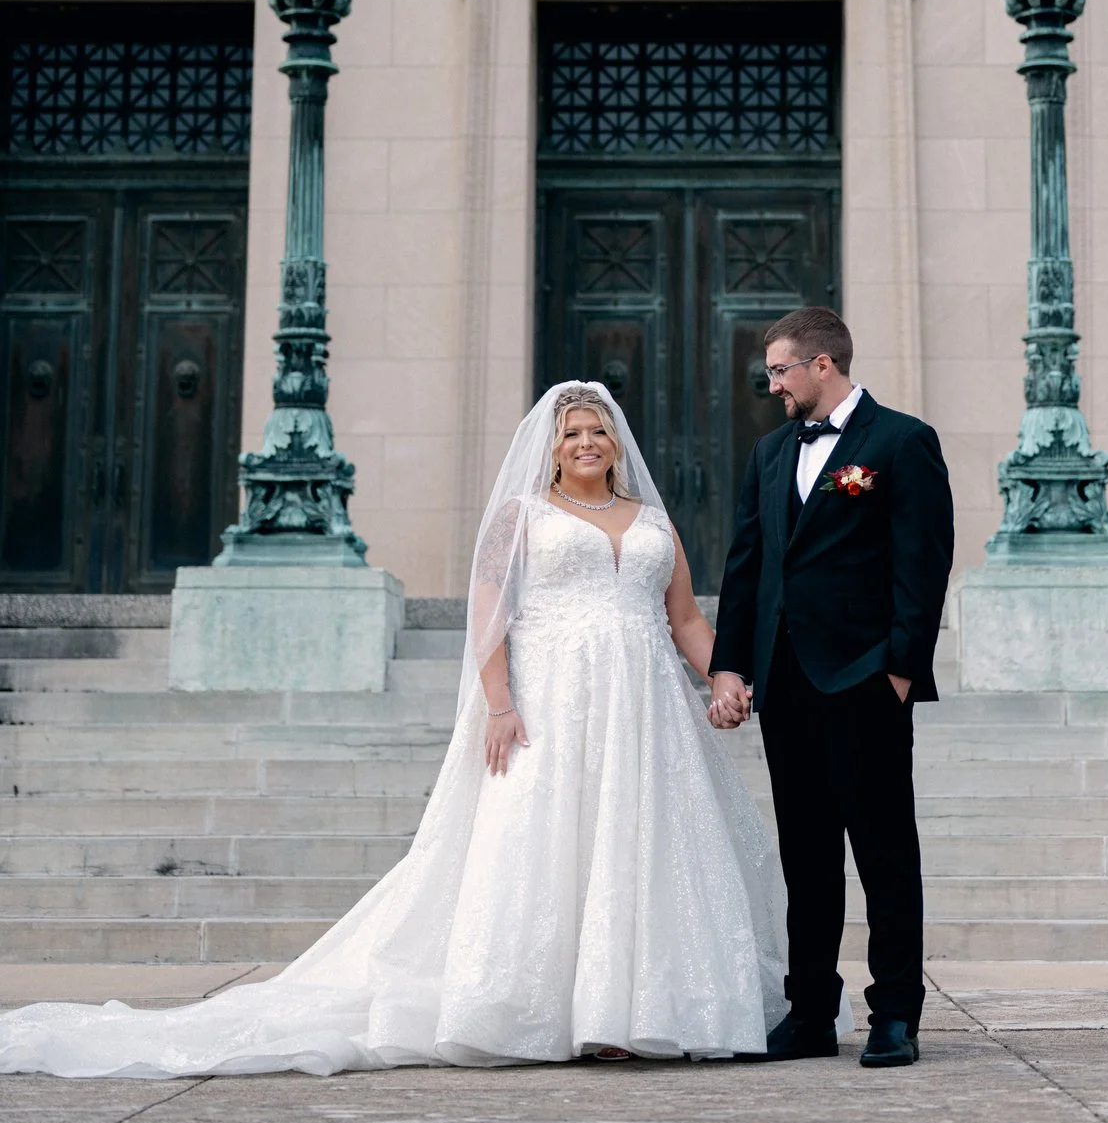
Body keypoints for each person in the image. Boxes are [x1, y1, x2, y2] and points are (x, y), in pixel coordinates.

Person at [0, 382, 792, 1076]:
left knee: (640, 844)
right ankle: (552, 1010)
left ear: (617, 441)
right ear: (549, 451)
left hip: (645, 709)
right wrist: (501, 704)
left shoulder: (650, 518)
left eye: (597, 431)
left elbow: (683, 615)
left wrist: (723, 677)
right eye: (571, 433)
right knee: (547, 844)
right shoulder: (521, 516)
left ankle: (639, 1010)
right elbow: (489, 618)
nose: (587, 443)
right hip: (554, 699)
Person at [709, 308, 954, 1070]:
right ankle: (810, 1011)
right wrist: (729, 665)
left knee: (884, 857)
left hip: (863, 682)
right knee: (804, 861)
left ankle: (894, 1017)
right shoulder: (770, 451)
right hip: (786, 684)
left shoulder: (899, 441)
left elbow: (923, 562)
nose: (771, 384)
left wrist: (899, 670)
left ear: (822, 364)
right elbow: (748, 565)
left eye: (779, 370)